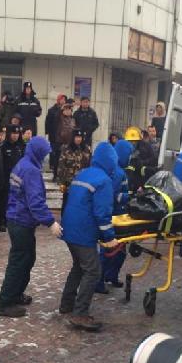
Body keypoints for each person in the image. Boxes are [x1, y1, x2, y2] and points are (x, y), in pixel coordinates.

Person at [0, 136, 62, 317]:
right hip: (20, 221)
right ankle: (5, 303)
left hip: (18, 219)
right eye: (45, 153)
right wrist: (50, 222)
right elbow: (35, 202)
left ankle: (16, 294)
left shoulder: (23, 163)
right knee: (19, 262)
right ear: (38, 152)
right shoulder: (31, 170)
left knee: (27, 258)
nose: (47, 157)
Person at [60, 142, 120, 331]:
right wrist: (109, 237)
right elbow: (102, 213)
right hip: (83, 232)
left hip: (69, 228)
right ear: (111, 161)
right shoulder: (104, 181)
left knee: (79, 267)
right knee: (93, 270)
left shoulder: (83, 173)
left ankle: (66, 304)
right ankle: (80, 314)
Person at [96, 139, 134, 294]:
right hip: (114, 216)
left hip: (119, 215)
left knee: (118, 250)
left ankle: (110, 276)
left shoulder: (118, 170)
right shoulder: (117, 172)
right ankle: (99, 281)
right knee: (109, 250)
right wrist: (128, 197)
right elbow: (112, 196)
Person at [57, 129, 92, 213]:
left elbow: (90, 165)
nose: (78, 139)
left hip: (83, 183)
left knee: (80, 205)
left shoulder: (86, 149)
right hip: (69, 183)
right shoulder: (66, 148)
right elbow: (61, 166)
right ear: (73, 138)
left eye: (80, 137)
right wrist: (62, 182)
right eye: (76, 137)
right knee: (66, 205)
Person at [1, 124, 25, 230]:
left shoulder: (21, 146)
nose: (15, 136)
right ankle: (2, 221)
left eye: (17, 133)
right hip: (7, 178)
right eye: (13, 133)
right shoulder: (3, 147)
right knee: (5, 200)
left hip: (19, 179)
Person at [45, 94, 66, 181]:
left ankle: (61, 174)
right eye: (62, 99)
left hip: (63, 137)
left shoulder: (67, 110)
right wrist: (47, 133)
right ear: (58, 100)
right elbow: (48, 122)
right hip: (54, 136)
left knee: (62, 156)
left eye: (64, 99)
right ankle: (54, 172)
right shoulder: (52, 110)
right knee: (55, 155)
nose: (63, 101)